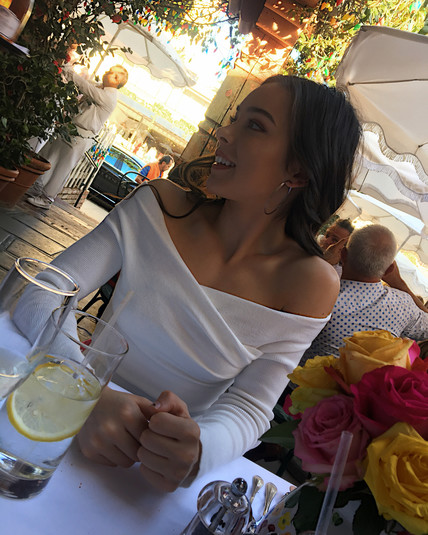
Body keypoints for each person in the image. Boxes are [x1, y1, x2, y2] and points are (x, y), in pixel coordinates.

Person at [17, 75, 361, 492]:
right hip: (54, 422)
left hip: (144, 482)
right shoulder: (159, 204)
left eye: (254, 125)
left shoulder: (310, 284)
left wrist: (198, 451)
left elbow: (251, 406)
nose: (224, 133)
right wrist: (84, 395)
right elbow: (45, 289)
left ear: (300, 170)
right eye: (235, 118)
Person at [302, 223, 428, 362]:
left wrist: (324, 261)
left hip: (299, 374)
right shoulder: (403, 305)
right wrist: (399, 283)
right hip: (361, 377)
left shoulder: (321, 293)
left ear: (343, 255)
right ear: (389, 270)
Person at [26, 64, 128, 209]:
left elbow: (84, 86)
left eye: (113, 74)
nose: (108, 72)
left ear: (117, 82)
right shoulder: (99, 88)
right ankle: (36, 187)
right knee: (48, 155)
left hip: (82, 135)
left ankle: (47, 198)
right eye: (110, 70)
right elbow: (83, 87)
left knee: (62, 167)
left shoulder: (108, 97)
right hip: (69, 128)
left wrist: (68, 70)